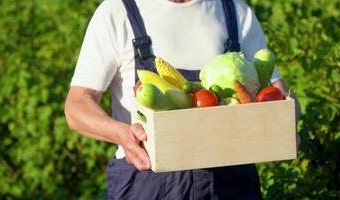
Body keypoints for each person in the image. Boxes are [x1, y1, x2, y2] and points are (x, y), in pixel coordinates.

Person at [65, 0, 301, 199]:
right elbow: (77, 105)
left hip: (229, 180)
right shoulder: (118, 11)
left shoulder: (235, 12)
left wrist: (283, 123)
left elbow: (277, 93)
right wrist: (122, 134)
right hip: (145, 180)